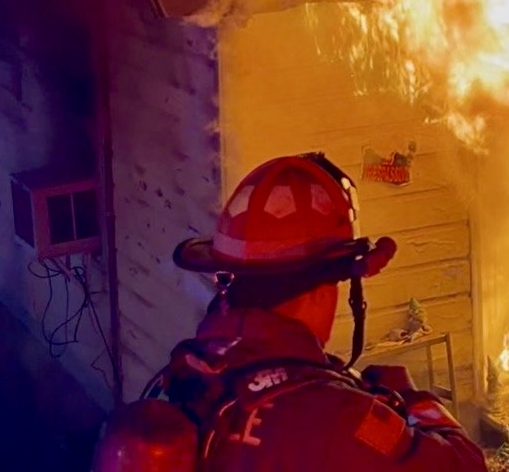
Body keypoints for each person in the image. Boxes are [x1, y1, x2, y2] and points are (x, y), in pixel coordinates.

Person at [93, 153, 487, 472]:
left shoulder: (192, 373)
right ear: (322, 291)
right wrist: (406, 394)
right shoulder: (336, 416)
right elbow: (465, 464)